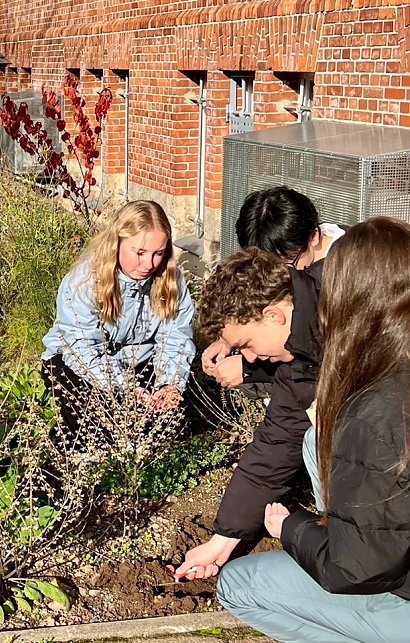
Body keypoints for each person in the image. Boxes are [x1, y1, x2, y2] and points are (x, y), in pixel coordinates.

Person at [216, 217, 410, 642]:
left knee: (238, 585)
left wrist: (290, 529)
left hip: (393, 584)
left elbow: (355, 568)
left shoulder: (375, 409)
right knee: (312, 439)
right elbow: (277, 441)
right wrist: (226, 534)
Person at [175, 247, 322, 580]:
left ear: (273, 315)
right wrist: (221, 542)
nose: (249, 359)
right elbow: (274, 448)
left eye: (246, 345)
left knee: (323, 441)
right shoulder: (298, 359)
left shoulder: (347, 302)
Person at [41, 200, 196, 442]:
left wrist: (169, 384)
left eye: (158, 253)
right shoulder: (84, 281)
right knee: (100, 424)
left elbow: (175, 337)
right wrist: (126, 387)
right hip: (79, 364)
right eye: (140, 253)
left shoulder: (171, 279)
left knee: (173, 422)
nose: (149, 264)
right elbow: (81, 350)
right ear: (118, 243)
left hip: (140, 364)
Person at [202, 186, 344, 392]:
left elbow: (323, 362)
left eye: (286, 265)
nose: (276, 276)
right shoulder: (300, 252)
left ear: (313, 237)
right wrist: (231, 338)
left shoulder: (344, 277)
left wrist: (250, 370)